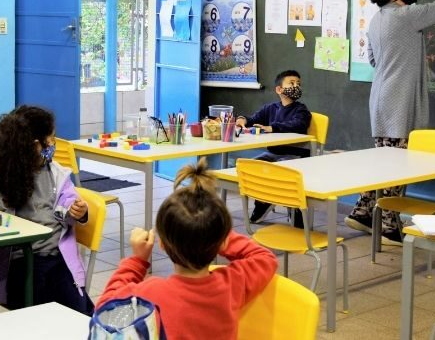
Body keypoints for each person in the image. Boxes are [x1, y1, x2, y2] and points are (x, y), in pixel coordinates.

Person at [344, 0, 435, 245]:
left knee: (384, 161)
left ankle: (362, 211)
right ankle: (388, 224)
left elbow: (373, 59)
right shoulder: (407, 16)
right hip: (400, 98)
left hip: (381, 96)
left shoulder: (375, 21)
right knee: (397, 164)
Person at [96, 158, 277, 340]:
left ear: (162, 244)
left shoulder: (150, 293)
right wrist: (216, 231)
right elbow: (265, 258)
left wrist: (137, 261)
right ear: (223, 242)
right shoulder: (232, 285)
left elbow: (103, 309)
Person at [0, 105, 93, 314]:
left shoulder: (56, 173)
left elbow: (70, 199)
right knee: (50, 310)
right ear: (35, 146)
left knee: (80, 313)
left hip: (57, 258)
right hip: (19, 264)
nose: (53, 145)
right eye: (50, 140)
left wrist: (78, 209)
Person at [235, 70, 312, 225]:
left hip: (295, 156)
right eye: (291, 83)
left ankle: (294, 208)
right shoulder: (270, 108)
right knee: (252, 167)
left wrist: (272, 127)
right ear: (279, 89)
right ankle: (263, 202)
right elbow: (252, 120)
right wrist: (241, 119)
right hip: (273, 154)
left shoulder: (301, 110)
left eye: (298, 84)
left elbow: (298, 124)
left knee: (278, 171)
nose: (296, 86)